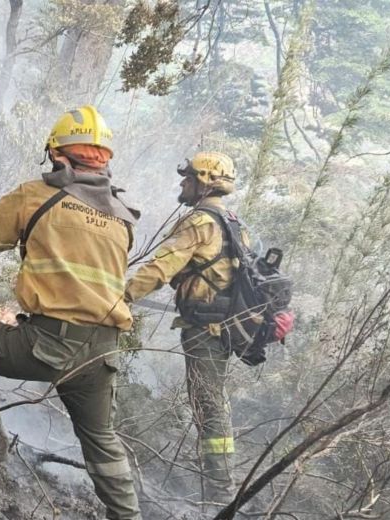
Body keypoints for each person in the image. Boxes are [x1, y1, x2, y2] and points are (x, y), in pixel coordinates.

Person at [0, 106, 142, 519]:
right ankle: (127, 515)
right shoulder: (121, 217)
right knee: (100, 438)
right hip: (103, 353)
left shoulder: (37, 196)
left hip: (49, 345)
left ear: (57, 154)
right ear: (103, 161)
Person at [123, 151, 241, 508]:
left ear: (205, 180)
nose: (182, 182)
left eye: (188, 177)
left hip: (206, 330)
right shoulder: (231, 221)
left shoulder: (200, 222)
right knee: (212, 402)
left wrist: (121, 297)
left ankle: (220, 493)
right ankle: (220, 484)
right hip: (222, 328)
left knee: (209, 406)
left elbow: (159, 268)